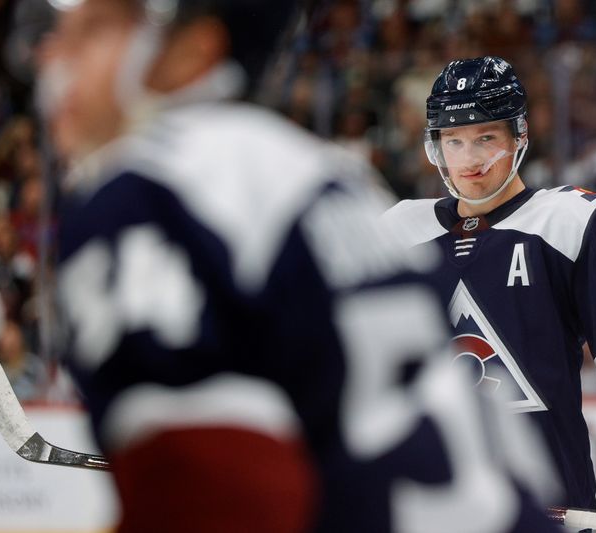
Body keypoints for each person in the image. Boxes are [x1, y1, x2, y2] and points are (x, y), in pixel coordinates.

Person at [34, 3, 564, 532]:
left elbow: (209, 497)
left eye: (94, 32)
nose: (51, 55)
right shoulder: (321, 173)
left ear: (192, 53)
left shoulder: (144, 197)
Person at [383, 56, 596, 533]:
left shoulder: (571, 220)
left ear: (519, 136)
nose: (469, 159)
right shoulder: (395, 231)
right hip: (423, 500)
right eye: (454, 140)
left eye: (486, 138)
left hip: (544, 498)